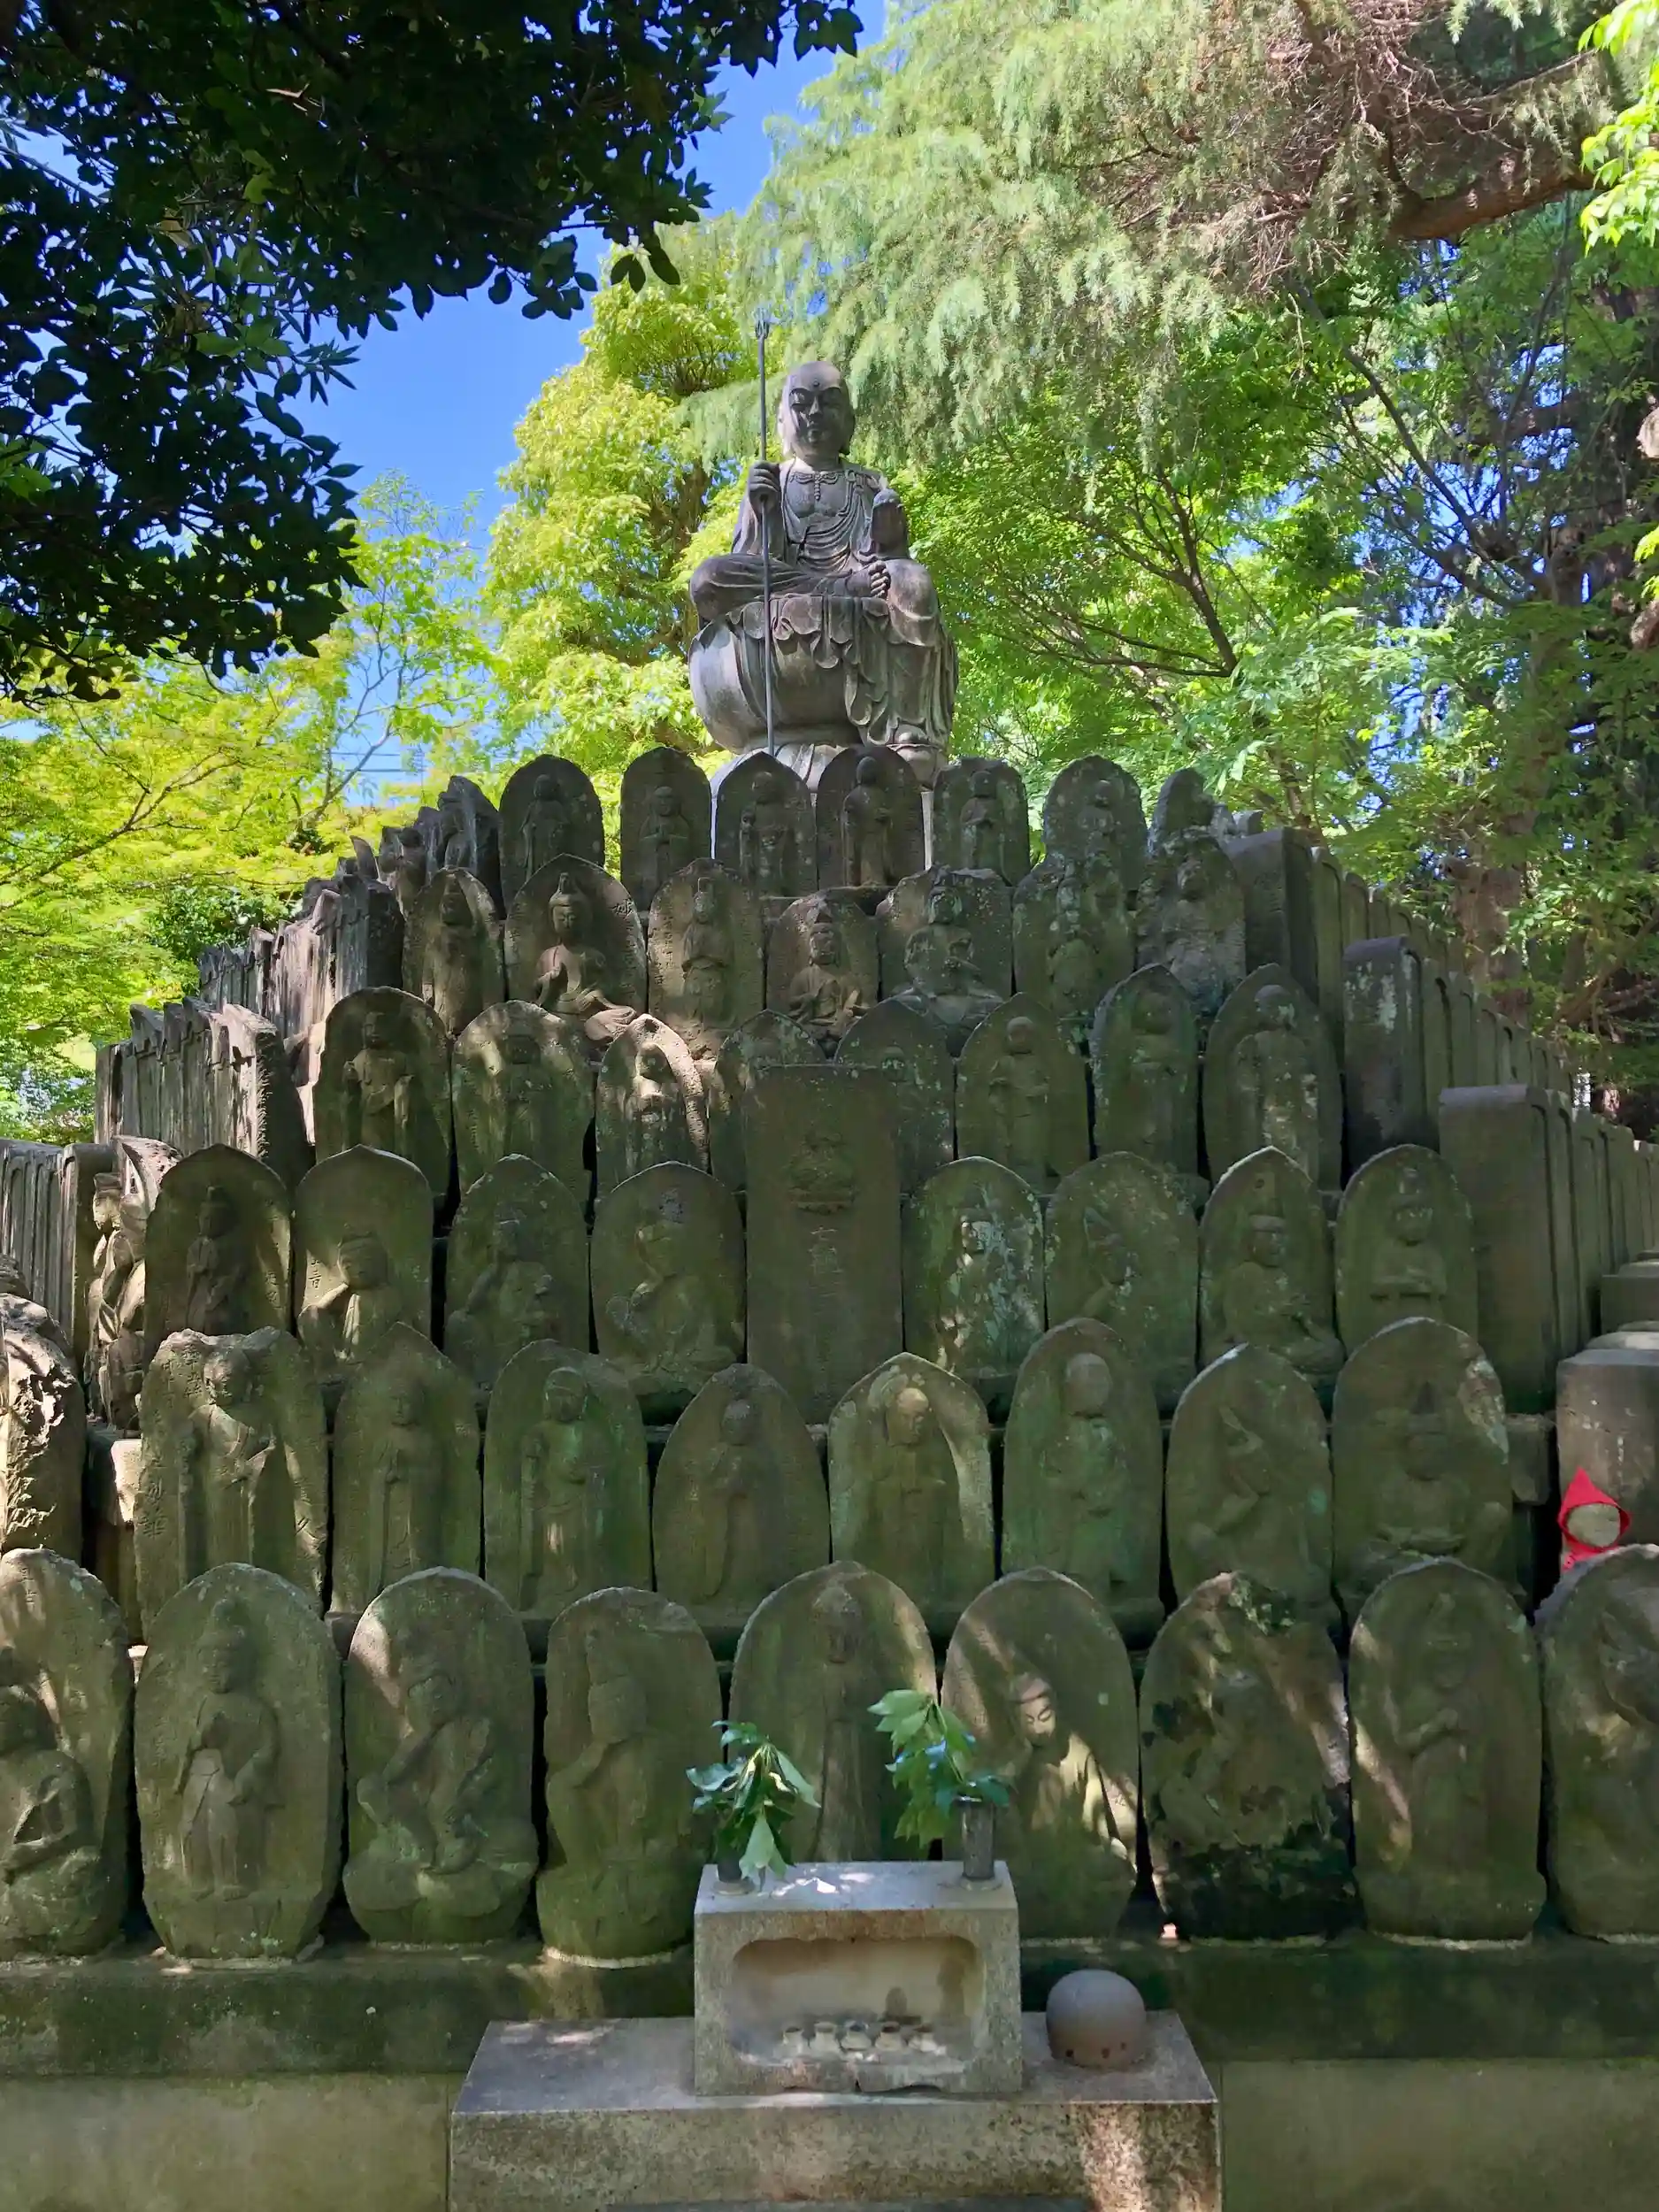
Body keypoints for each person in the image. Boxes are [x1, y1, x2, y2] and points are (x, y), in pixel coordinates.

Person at [688, 362, 956, 777]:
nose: (814, 414)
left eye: (828, 404)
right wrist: (763, 512)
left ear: (848, 422)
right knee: (708, 578)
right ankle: (836, 588)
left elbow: (887, 564)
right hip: (810, 591)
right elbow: (756, 565)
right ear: (782, 422)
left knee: (914, 582)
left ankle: (907, 732)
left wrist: (890, 538)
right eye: (801, 404)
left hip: (862, 584)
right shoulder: (773, 480)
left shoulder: (868, 483)